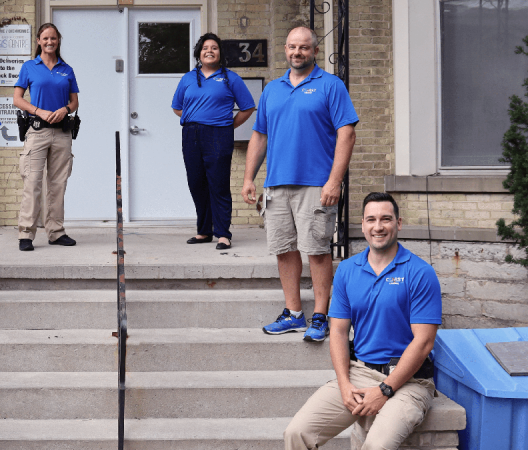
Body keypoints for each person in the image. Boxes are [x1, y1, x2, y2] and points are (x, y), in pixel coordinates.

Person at [283, 192, 442, 450]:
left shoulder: (420, 273)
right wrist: (345, 384)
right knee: (297, 433)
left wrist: (384, 390)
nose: (378, 227)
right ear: (363, 224)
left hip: (409, 382)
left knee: (375, 447)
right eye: (371, 220)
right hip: (358, 373)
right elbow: (337, 332)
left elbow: (424, 342)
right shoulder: (347, 270)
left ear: (398, 223)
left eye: (386, 219)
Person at [241, 26, 358, 341]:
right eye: (292, 47)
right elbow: (259, 135)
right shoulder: (272, 90)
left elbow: (347, 134)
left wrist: (334, 181)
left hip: (316, 185)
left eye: (304, 47)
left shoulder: (330, 86)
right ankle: (293, 313)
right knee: (284, 249)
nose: (297, 52)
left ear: (315, 51)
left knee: (317, 250)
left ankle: (321, 316)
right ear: (286, 50)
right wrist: (249, 178)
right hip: (276, 184)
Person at [172, 33, 256, 250]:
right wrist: (195, 118)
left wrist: (227, 125)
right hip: (191, 135)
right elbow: (177, 107)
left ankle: (223, 234)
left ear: (220, 53)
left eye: (214, 48)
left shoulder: (231, 78)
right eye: (205, 48)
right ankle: (204, 231)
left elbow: (248, 107)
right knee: (196, 183)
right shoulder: (188, 78)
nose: (209, 51)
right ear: (199, 53)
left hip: (219, 135)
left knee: (218, 184)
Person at [13, 23, 80, 252]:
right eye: (45, 38)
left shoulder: (67, 69)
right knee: (32, 183)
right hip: (37, 131)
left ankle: (56, 232)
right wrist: (38, 110)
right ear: (39, 41)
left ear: (58, 41)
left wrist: (65, 109)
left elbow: (74, 102)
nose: (49, 42)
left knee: (57, 184)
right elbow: (17, 99)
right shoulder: (30, 67)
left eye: (53, 38)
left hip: (62, 133)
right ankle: (26, 234)